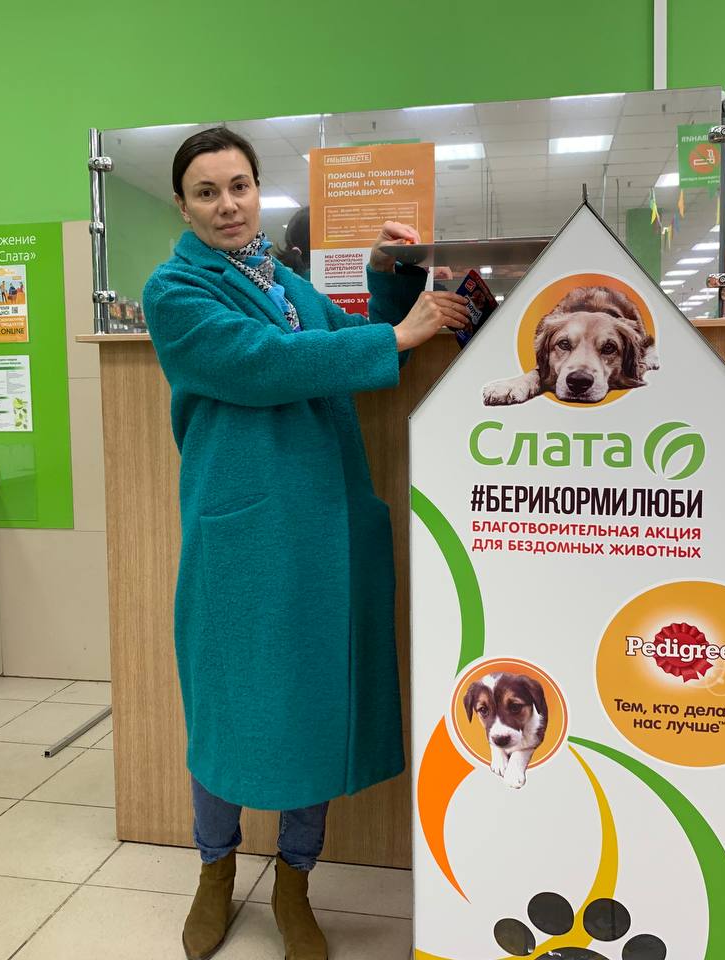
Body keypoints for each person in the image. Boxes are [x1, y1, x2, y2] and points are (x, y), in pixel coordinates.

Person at [143, 126, 468, 960]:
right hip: (243, 537)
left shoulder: (284, 281)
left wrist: (388, 276)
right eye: (207, 191)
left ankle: (295, 881)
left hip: (320, 527)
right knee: (228, 707)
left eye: (240, 186)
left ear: (259, 191)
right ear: (182, 205)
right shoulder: (174, 291)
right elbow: (265, 363)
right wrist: (390, 338)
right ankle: (215, 869)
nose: (228, 205)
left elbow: (346, 350)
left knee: (313, 707)